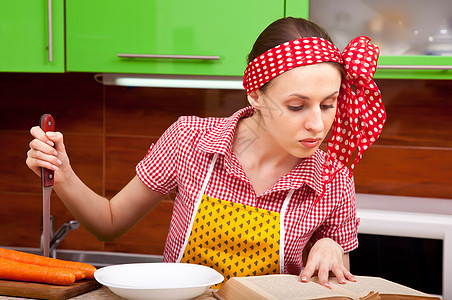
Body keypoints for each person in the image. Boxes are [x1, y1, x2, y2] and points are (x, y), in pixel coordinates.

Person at [26, 17, 386, 288]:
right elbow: (108, 222)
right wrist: (62, 173)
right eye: (296, 106)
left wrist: (330, 246)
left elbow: (335, 284)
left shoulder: (334, 176)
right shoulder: (191, 139)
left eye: (328, 104)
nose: (317, 125)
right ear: (255, 95)